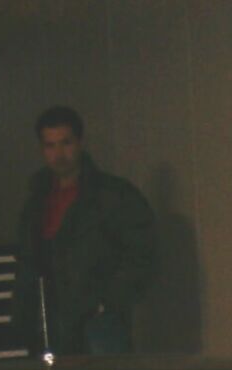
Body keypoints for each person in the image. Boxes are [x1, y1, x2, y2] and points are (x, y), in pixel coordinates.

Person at [13, 105, 154, 356]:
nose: (59, 154)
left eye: (65, 143)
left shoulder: (113, 196)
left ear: (80, 142)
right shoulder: (36, 202)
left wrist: (104, 303)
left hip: (98, 322)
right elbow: (28, 261)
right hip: (51, 322)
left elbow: (142, 255)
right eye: (50, 145)